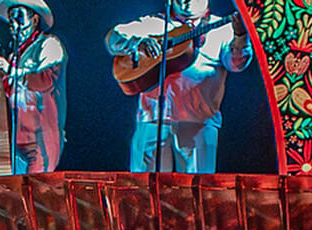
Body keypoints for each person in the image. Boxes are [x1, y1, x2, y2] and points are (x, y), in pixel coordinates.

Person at [106, 1, 253, 174]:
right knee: (144, 186)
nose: (187, 1)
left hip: (198, 125)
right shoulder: (155, 23)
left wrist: (241, 36)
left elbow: (236, 64)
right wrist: (136, 44)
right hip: (153, 121)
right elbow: (113, 38)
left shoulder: (224, 28)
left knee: (197, 187)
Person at [0, 0, 65, 173]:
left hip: (40, 137)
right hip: (16, 138)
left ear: (34, 20)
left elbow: (45, 80)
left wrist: (10, 71)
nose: (14, 25)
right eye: (11, 19)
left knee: (36, 184)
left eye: (19, 17)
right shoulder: (15, 55)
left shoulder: (49, 44)